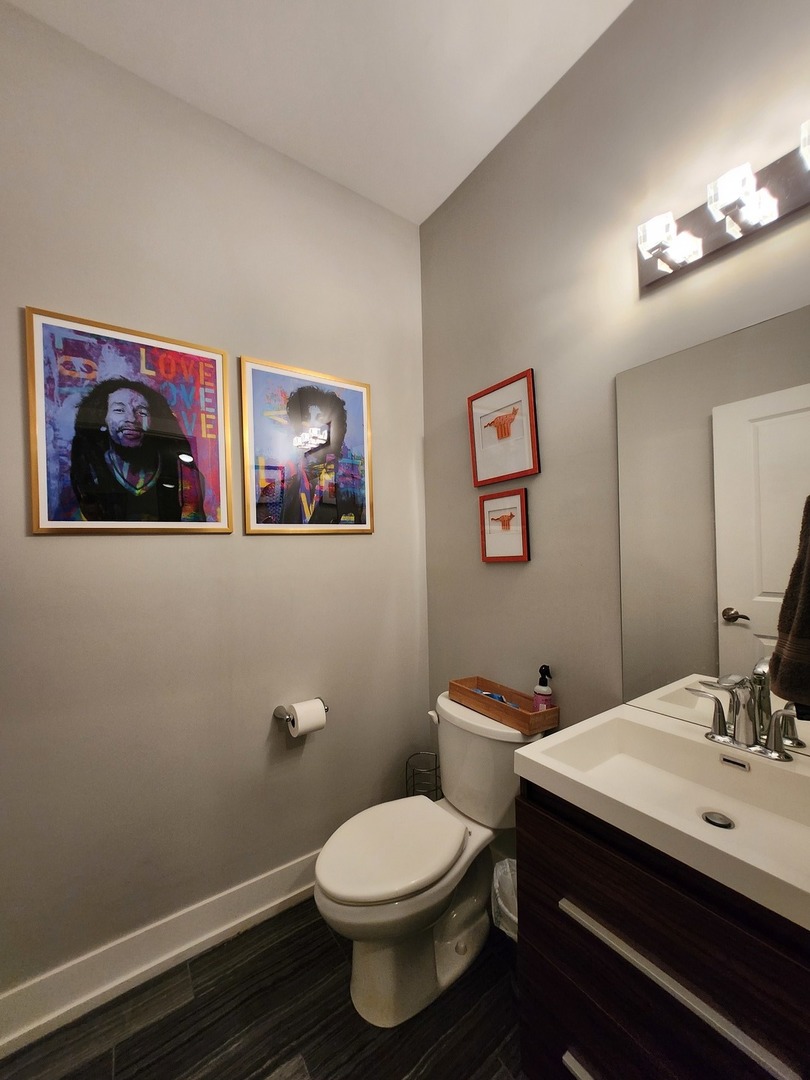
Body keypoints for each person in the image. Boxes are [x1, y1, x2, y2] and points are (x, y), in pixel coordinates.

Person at [70, 378, 206, 522]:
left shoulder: (181, 471)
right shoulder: (90, 469)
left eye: (142, 412)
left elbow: (192, 524)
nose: (131, 419)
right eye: (119, 410)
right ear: (103, 419)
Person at [279, 385, 365, 525]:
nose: (311, 428)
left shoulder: (351, 484)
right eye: (305, 419)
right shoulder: (289, 485)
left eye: (319, 419)